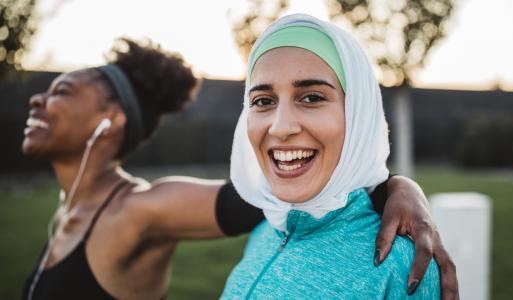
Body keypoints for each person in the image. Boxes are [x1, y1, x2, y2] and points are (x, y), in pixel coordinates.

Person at [20, 38, 457, 300]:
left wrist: (394, 187)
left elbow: (270, 193)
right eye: (262, 101)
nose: (37, 99)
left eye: (61, 90)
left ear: (109, 119)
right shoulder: (65, 212)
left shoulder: (140, 210)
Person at [221, 14, 442, 299]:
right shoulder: (263, 232)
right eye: (263, 101)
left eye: (311, 98)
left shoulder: (400, 265)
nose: (281, 127)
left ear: (357, 115)